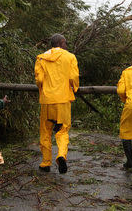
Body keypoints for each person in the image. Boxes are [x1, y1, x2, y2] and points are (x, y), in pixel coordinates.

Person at [34, 34, 79, 174]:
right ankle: (61, 155)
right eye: (65, 43)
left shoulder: (41, 58)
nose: (66, 45)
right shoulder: (70, 57)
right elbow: (73, 77)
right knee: (62, 130)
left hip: (47, 100)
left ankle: (45, 162)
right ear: (61, 42)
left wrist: (44, 90)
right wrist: (75, 88)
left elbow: (39, 80)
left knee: (45, 131)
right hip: (63, 100)